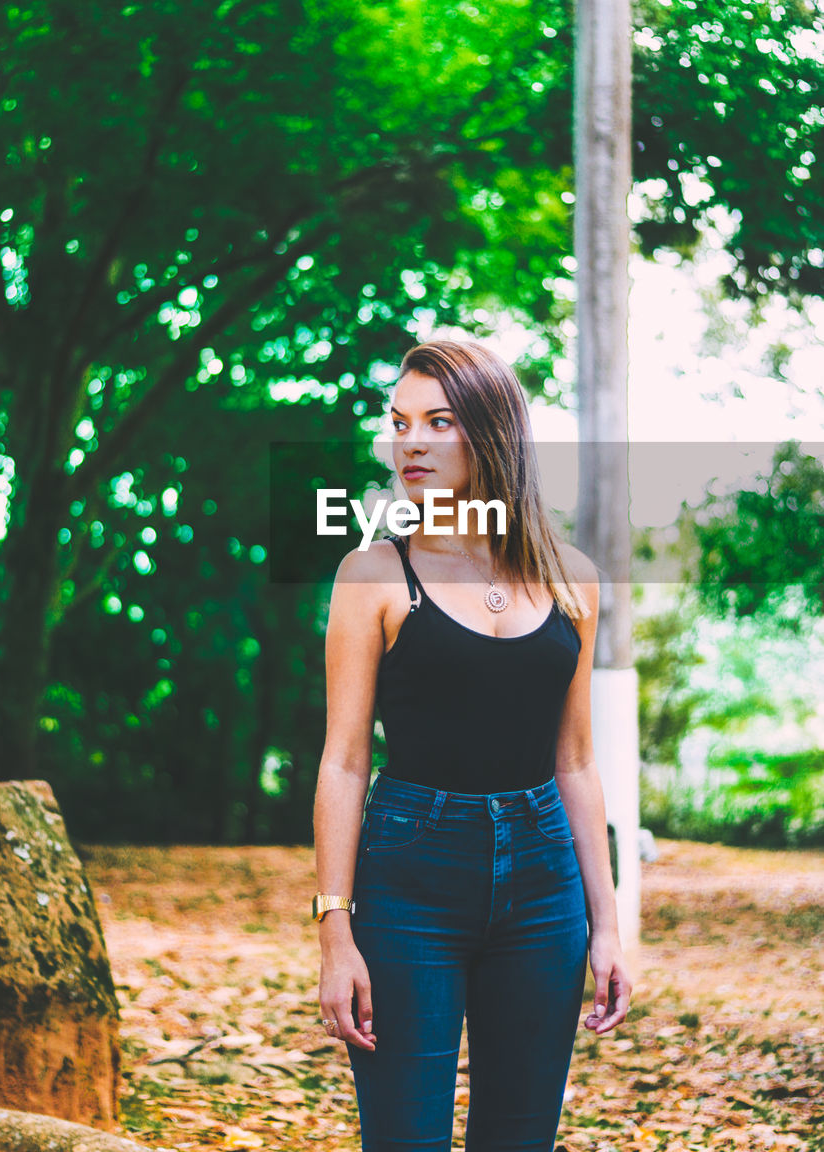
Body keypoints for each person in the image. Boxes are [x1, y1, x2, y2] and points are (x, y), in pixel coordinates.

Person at [312, 338, 633, 1152]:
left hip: (543, 882)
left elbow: (575, 761)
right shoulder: (374, 574)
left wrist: (605, 923)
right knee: (405, 1139)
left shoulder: (571, 577)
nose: (408, 443)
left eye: (436, 422)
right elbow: (345, 761)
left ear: (491, 433)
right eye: (398, 423)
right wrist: (334, 931)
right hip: (409, 875)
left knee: (519, 1138)